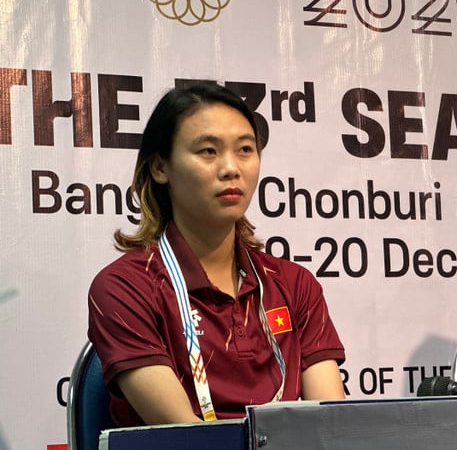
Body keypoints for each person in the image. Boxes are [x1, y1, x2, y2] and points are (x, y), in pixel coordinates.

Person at [88, 82, 346, 426]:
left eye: (245, 149)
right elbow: (185, 436)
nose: (230, 168)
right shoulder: (124, 287)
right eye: (208, 151)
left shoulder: (294, 284)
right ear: (160, 167)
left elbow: (330, 427)